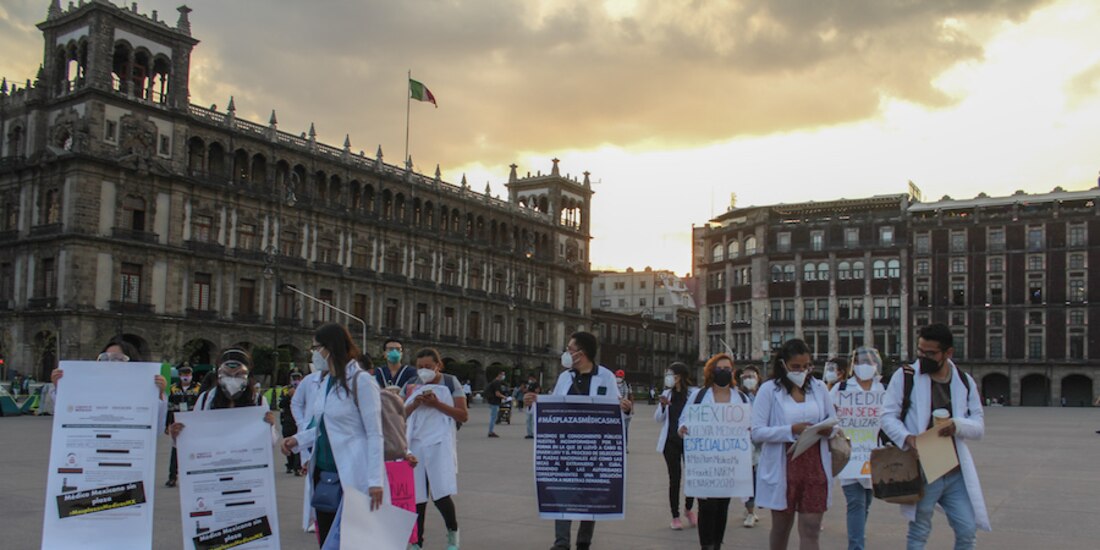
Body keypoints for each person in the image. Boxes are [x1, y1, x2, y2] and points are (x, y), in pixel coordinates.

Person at [881, 323, 989, 549]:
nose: (923, 357)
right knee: (919, 531)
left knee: (967, 530)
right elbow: (887, 416)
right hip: (924, 469)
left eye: (930, 353)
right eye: (920, 350)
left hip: (954, 471)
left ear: (948, 353)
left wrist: (957, 425)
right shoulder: (906, 376)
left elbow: (979, 426)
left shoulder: (964, 381)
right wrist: (908, 438)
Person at [282, 323, 385, 548]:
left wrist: (375, 481)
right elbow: (321, 425)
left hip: (351, 471)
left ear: (330, 347)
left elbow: (375, 433)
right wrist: (297, 440)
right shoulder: (326, 381)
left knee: (352, 541)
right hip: (323, 472)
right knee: (328, 538)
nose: (314, 353)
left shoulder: (362, 382)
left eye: (316, 347)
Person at [532, 331, 631, 550]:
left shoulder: (605, 376)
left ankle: (584, 541)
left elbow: (615, 411)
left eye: (570, 349)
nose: (567, 353)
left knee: (590, 493)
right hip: (566, 447)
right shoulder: (564, 377)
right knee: (563, 492)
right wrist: (536, 403)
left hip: (594, 449)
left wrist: (625, 409)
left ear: (581, 353)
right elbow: (554, 407)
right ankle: (561, 543)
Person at [751, 338, 838, 550]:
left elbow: (833, 420)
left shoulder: (819, 388)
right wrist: (791, 430)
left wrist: (829, 430)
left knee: (811, 528)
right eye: (795, 367)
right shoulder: (769, 390)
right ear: (783, 365)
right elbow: (757, 432)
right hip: (784, 465)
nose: (802, 371)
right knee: (781, 527)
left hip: (815, 464)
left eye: (806, 366)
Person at [678, 354, 750, 550]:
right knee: (707, 506)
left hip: (729, 462)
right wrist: (683, 428)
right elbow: (684, 419)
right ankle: (706, 545)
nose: (724, 372)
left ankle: (717, 543)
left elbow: (749, 425)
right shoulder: (699, 396)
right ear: (711, 371)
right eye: (720, 368)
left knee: (722, 505)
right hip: (705, 463)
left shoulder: (741, 398)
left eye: (728, 368)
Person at [403, 348, 468, 550]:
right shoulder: (412, 384)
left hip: (439, 444)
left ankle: (453, 534)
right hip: (416, 445)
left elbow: (462, 415)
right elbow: (400, 415)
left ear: (438, 366)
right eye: (420, 367)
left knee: (441, 494)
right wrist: (414, 403)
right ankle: (416, 542)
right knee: (417, 497)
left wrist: (437, 404)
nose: (424, 371)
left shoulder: (450, 382)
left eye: (428, 367)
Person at [829, 347, 885, 550]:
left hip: (874, 453)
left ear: (876, 365)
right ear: (854, 365)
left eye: (870, 363)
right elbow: (829, 415)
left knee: (867, 500)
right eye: (861, 362)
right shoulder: (842, 389)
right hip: (850, 454)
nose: (865, 367)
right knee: (855, 502)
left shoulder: (883, 389)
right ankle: (856, 546)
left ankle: (858, 534)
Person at [51, 338, 168, 428]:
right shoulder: (88, 388)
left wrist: (158, 394)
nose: (110, 362)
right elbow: (66, 418)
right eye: (105, 358)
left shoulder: (143, 391)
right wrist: (60, 387)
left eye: (117, 358)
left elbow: (155, 430)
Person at [655, 362, 697, 530]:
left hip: (689, 441)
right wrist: (663, 406)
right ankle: (675, 515)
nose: (668, 377)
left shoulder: (693, 394)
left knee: (692, 477)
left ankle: (688, 508)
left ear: (679, 377)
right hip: (670, 442)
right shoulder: (666, 394)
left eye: (671, 374)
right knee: (675, 478)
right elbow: (658, 418)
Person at [165, 365, 202, 487]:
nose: (186, 377)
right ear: (179, 375)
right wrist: (167, 424)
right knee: (175, 451)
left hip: (194, 423)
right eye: (183, 374)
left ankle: (194, 476)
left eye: (188, 374)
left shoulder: (198, 388)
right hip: (177, 423)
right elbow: (169, 408)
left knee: (194, 451)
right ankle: (172, 477)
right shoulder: (173, 388)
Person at [738, 365, 762, 528]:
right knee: (748, 479)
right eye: (745, 377)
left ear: (758, 377)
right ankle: (750, 511)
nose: (748, 380)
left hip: (762, 441)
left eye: (751, 376)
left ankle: (751, 507)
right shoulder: (739, 396)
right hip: (745, 442)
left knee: (760, 477)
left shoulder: (765, 395)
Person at [281, 371, 303, 475]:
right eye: (294, 377)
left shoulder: (304, 387)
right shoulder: (285, 389)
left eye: (298, 377)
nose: (296, 380)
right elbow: (280, 404)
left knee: (298, 443)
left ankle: (297, 467)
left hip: (298, 421)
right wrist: (289, 396)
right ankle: (289, 464)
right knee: (288, 443)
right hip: (287, 420)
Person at [615, 369, 634, 451]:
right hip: (615, 409)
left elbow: (631, 396)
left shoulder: (627, 385)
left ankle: (624, 446)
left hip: (626, 409)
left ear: (623, 377)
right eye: (617, 376)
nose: (619, 378)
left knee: (625, 429)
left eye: (620, 376)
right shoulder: (612, 384)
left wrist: (632, 408)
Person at [484, 371, 506, 438]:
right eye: (503, 374)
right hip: (495, 402)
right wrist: (505, 397)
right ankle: (490, 431)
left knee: (493, 417)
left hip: (492, 401)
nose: (503, 376)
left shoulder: (494, 382)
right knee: (493, 417)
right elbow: (497, 393)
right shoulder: (497, 382)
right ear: (499, 375)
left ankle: (491, 431)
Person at [523, 373, 541, 439]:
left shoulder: (536, 384)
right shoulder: (530, 384)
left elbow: (538, 391)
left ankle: (534, 432)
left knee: (533, 419)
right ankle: (529, 433)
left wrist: (532, 394)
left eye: (530, 378)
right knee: (528, 419)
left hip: (533, 400)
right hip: (529, 401)